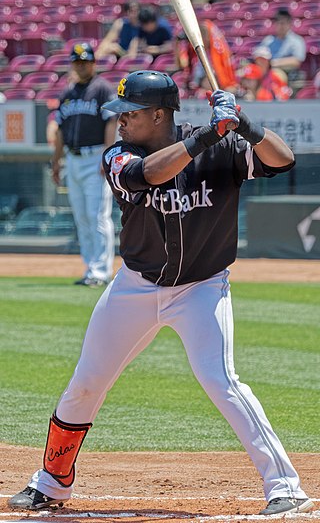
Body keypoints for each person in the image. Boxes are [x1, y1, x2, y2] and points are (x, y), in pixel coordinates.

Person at [9, 71, 313, 517]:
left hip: (202, 287)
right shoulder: (119, 154)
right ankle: (51, 482)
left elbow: (283, 160)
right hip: (136, 285)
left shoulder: (222, 147)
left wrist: (244, 126)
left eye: (129, 113)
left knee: (220, 380)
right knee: (86, 382)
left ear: (158, 114)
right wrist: (209, 135)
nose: (121, 122)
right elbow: (148, 175)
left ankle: (285, 487)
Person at [51, 42, 117, 287]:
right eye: (77, 62)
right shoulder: (67, 94)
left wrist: (107, 155)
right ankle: (90, 268)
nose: (81, 65)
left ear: (93, 63)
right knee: (82, 217)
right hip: (73, 159)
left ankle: (102, 271)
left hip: (95, 157)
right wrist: (56, 162)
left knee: (97, 215)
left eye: (85, 61)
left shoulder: (102, 89)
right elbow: (59, 130)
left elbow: (111, 123)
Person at [175, 20, 237, 94]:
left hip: (214, 85)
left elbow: (221, 76)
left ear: (207, 37)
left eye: (203, 36)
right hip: (197, 84)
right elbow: (182, 65)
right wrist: (177, 46)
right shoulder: (194, 49)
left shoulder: (216, 53)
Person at [259, 8, 306, 85]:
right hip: (267, 71)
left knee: (275, 74)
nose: (281, 26)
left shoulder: (297, 41)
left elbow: (296, 61)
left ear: (290, 24)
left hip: (288, 73)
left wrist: (273, 63)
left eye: (284, 23)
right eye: (279, 23)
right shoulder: (268, 40)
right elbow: (259, 55)